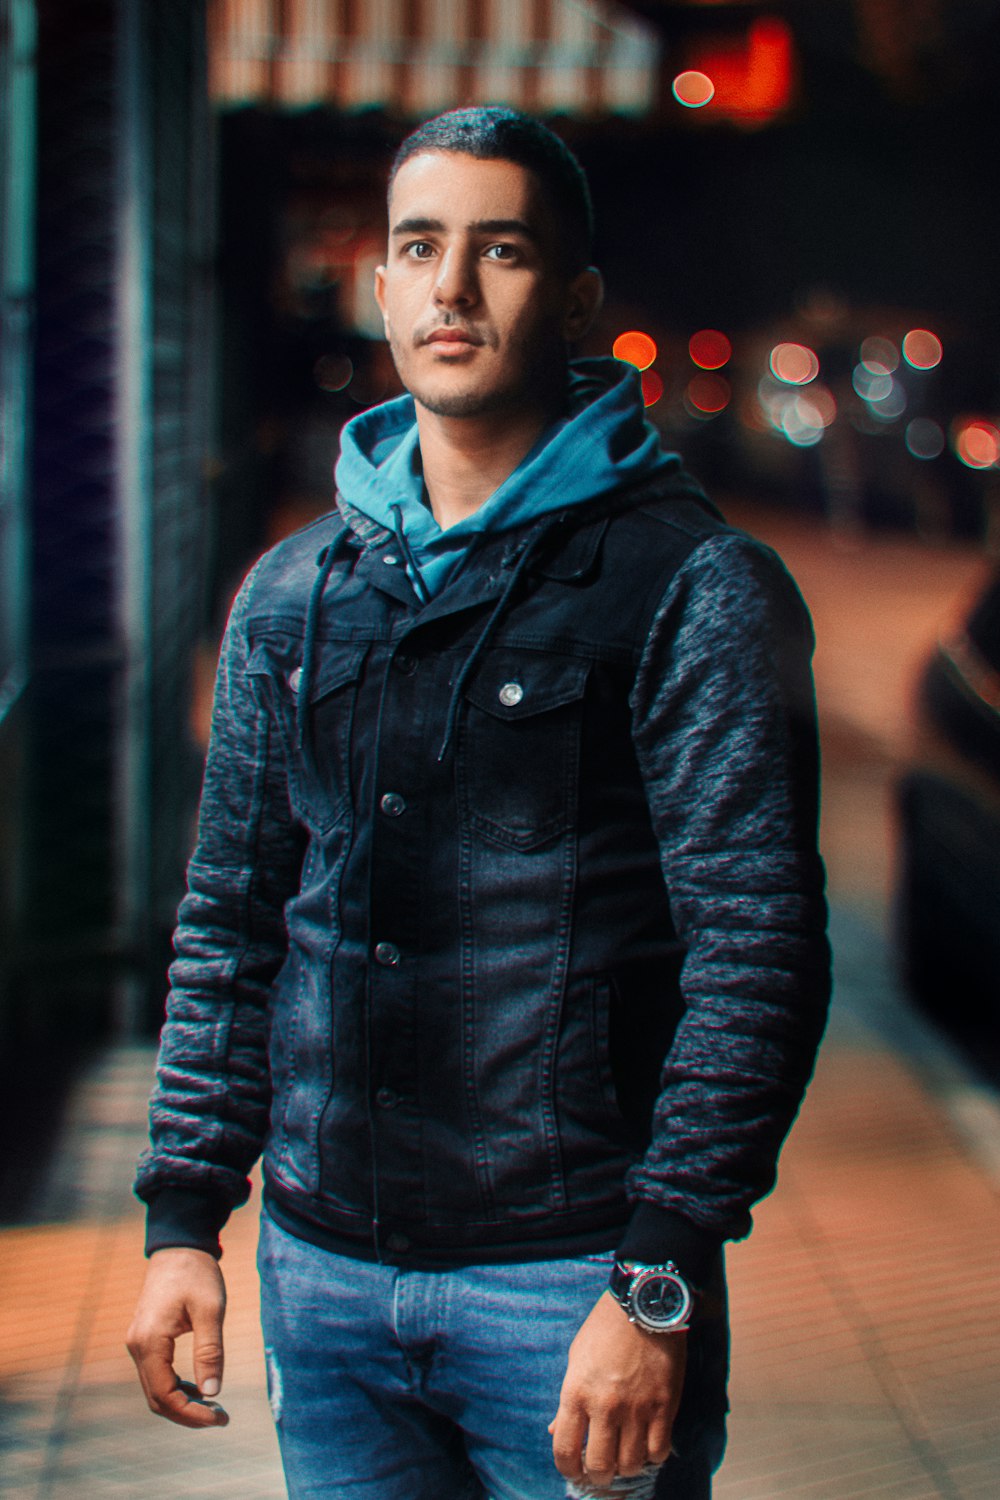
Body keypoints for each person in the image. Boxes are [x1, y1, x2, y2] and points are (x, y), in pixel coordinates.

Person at [127, 107, 830, 1500]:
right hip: (322, 1280)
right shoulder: (292, 595)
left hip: (571, 1289)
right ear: (378, 284)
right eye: (418, 248)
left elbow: (758, 956)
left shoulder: (693, 589)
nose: (450, 289)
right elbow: (232, 925)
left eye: (498, 251)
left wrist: (661, 1283)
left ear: (571, 299)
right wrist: (182, 1221)